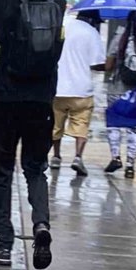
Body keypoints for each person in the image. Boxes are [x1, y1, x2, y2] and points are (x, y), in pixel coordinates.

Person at [0, 0, 66, 270]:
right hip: (41, 99)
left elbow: (3, 40)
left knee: (3, 172)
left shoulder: (1, 0)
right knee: (36, 168)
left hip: (7, 98)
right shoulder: (58, 1)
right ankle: (41, 224)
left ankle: (4, 245)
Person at [50, 10, 106, 176]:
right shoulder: (91, 32)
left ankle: (56, 157)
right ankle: (77, 157)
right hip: (81, 90)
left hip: (57, 88)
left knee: (55, 125)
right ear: (91, 20)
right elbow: (97, 63)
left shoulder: (62, 26)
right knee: (81, 125)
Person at [105, 9, 136, 179]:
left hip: (117, 88)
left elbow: (109, 65)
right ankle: (130, 165)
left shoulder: (120, 39)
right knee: (134, 128)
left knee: (114, 124)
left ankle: (116, 157)